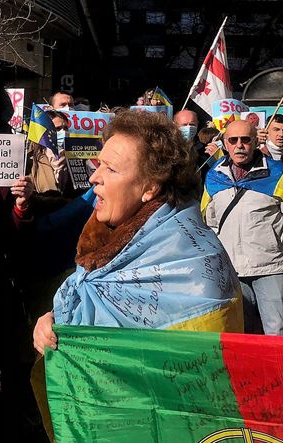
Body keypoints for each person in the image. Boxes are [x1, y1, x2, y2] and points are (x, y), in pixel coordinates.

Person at [33, 110, 244, 354]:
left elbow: (198, 368)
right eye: (99, 164)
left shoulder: (198, 264)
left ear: (150, 187)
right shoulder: (99, 241)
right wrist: (50, 321)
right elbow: (84, 296)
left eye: (111, 169)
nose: (94, 177)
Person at [203, 119, 283, 336]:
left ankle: (278, 371)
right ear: (225, 144)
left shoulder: (279, 173)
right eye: (233, 140)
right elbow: (210, 221)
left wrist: (279, 248)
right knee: (241, 332)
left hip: (270, 268)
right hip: (233, 268)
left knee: (277, 331)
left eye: (245, 139)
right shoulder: (214, 176)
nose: (239, 145)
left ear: (255, 141)